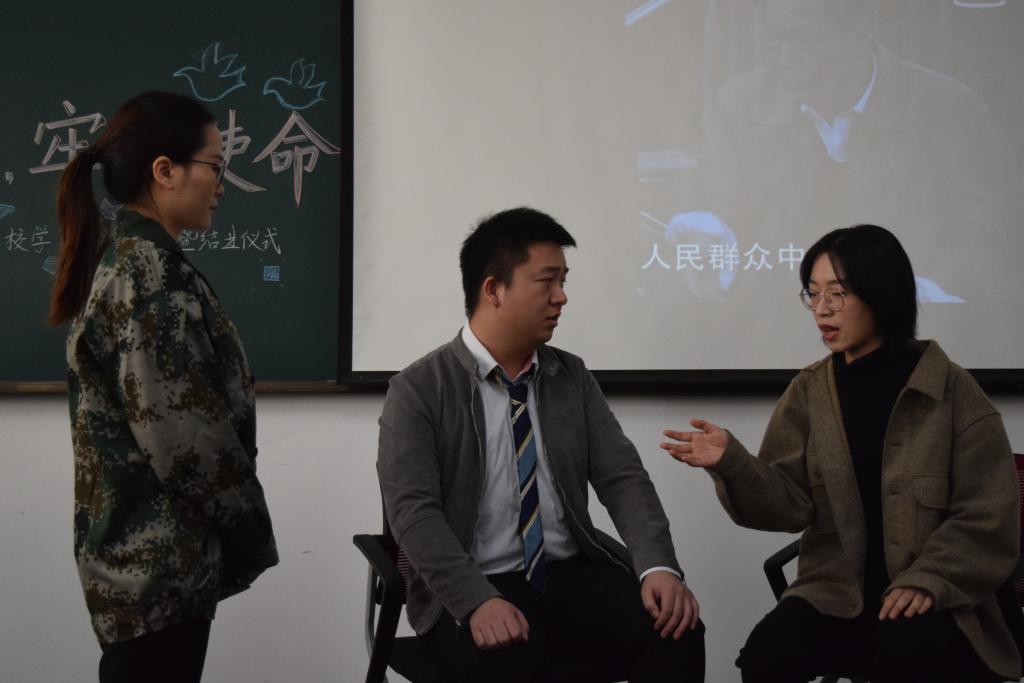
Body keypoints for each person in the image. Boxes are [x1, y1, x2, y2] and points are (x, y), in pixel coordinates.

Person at [661, 224, 1020, 682]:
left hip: (940, 595)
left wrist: (929, 579)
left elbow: (987, 516)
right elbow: (789, 507)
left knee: (905, 651)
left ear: (882, 294)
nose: (821, 309)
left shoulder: (952, 391)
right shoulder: (809, 392)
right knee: (766, 655)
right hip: (835, 594)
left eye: (838, 293)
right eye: (813, 294)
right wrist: (733, 463)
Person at [377, 207, 705, 682]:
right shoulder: (418, 390)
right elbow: (413, 512)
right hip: (473, 583)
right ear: (494, 290)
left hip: (567, 573)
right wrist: (475, 600)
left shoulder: (570, 376)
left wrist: (658, 567)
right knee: (511, 661)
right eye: (547, 281)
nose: (561, 296)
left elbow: (623, 479)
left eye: (563, 281)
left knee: (676, 628)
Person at [49, 91, 278, 683]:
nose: (221, 184)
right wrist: (252, 528)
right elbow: (184, 438)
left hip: (148, 568)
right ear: (164, 170)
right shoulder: (148, 272)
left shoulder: (133, 261)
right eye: (214, 166)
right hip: (156, 569)